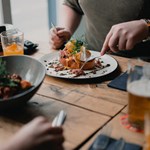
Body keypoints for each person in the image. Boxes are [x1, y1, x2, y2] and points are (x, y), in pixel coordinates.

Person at [49, 0, 150, 57]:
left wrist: (146, 26)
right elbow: (72, 5)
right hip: (90, 59)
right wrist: (65, 30)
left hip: (140, 67)